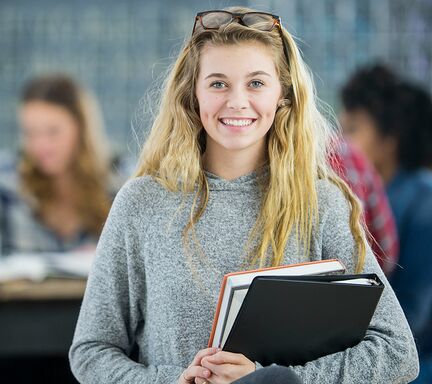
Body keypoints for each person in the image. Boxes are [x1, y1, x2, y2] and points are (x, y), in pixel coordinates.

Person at [69, 6, 419, 384]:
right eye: (218, 83)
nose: (237, 101)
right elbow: (91, 352)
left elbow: (397, 352)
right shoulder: (141, 204)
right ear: (193, 95)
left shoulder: (320, 203)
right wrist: (174, 381)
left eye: (256, 83)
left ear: (282, 94)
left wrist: (273, 379)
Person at [0, 74, 113, 383]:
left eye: (52, 132)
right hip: (13, 334)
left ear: (81, 129)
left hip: (86, 329)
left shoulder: (117, 178)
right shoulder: (4, 174)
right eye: (30, 133)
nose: (40, 145)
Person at [340, 64, 432, 383]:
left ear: (389, 139)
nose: (343, 141)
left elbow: (414, 315)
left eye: (352, 129)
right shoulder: (374, 195)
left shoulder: (423, 198)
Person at [329, 139, 399, 275]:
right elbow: (387, 253)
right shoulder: (348, 155)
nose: (345, 135)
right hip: (362, 285)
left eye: (353, 128)